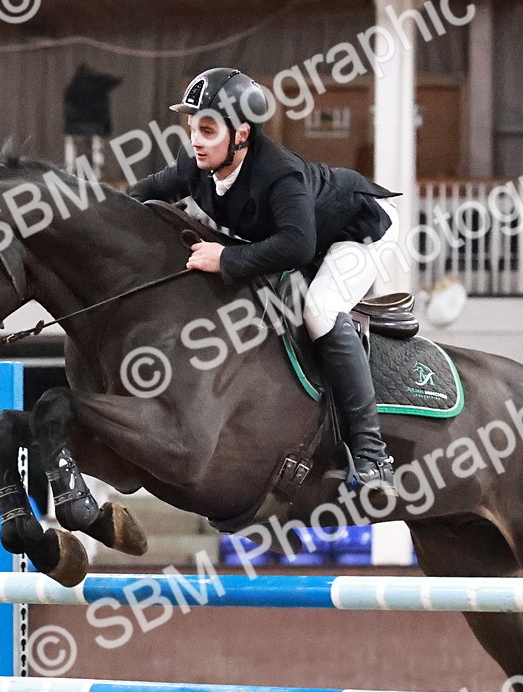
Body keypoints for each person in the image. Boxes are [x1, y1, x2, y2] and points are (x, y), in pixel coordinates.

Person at [129, 67, 401, 492]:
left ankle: (373, 455)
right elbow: (140, 195)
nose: (196, 140)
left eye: (207, 129)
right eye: (192, 128)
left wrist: (226, 258)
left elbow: (296, 245)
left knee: (320, 310)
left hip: (359, 231)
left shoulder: (279, 173)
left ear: (240, 134)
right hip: (308, 237)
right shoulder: (195, 164)